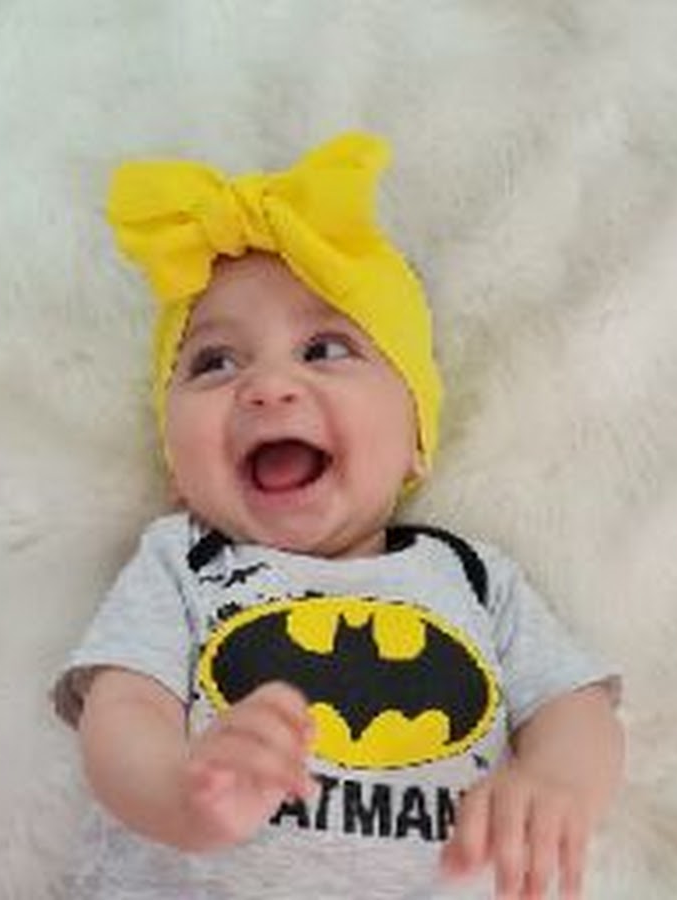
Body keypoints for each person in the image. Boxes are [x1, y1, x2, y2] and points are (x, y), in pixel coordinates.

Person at [53, 132, 623, 900]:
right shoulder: (182, 561)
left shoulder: (472, 578)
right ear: (177, 472)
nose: (268, 386)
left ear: (415, 439)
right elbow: (122, 709)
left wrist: (556, 781)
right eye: (214, 362)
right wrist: (175, 789)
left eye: (325, 349)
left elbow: (574, 704)